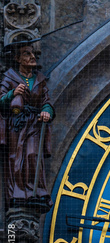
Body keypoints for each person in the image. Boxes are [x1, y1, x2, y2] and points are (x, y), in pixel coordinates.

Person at [0, 42, 54, 213]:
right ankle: (18, 194)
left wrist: (46, 111)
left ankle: (36, 193)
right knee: (17, 157)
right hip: (17, 124)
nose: (32, 57)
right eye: (26, 54)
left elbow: (47, 102)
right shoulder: (9, 78)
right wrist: (12, 94)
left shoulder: (39, 80)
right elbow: (1, 102)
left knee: (32, 154)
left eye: (32, 54)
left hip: (34, 123)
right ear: (17, 59)